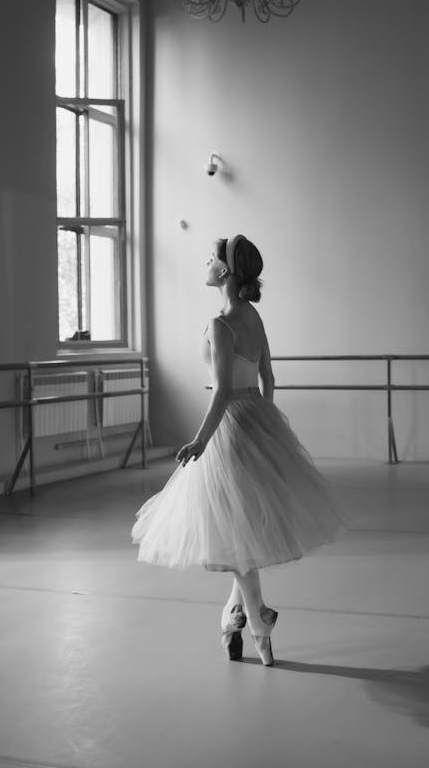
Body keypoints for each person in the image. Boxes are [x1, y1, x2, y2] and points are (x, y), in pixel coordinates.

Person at [131, 234, 346, 666]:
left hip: (227, 424)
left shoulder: (221, 324)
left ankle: (258, 620)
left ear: (225, 272)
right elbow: (268, 378)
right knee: (241, 528)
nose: (207, 264)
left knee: (233, 531)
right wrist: (266, 422)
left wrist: (201, 439)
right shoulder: (254, 318)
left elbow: (222, 391)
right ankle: (240, 622)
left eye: (211, 259)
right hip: (255, 421)